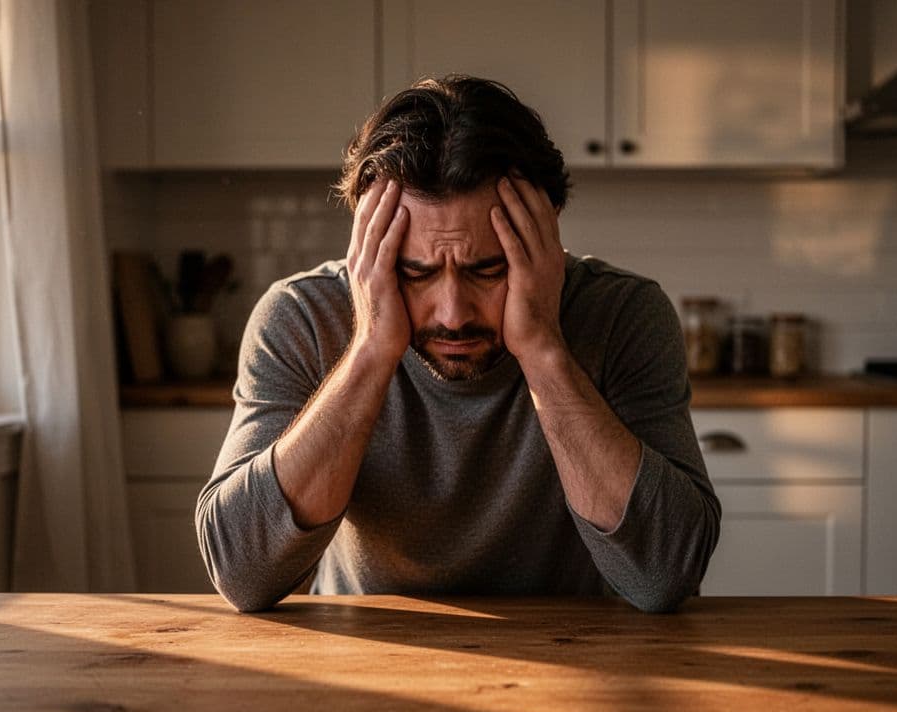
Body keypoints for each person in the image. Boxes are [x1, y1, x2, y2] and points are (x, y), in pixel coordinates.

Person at [196, 75, 720, 613]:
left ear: (545, 233)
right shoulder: (301, 318)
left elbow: (665, 574)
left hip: (578, 661)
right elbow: (242, 574)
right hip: (362, 659)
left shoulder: (624, 315)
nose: (453, 314)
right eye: (416, 273)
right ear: (367, 245)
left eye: (488, 270)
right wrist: (371, 348)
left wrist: (542, 348)